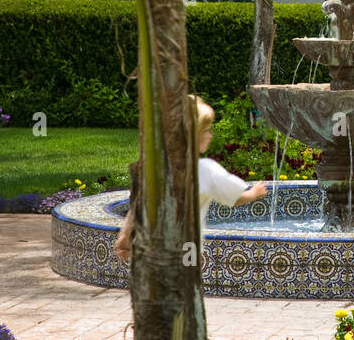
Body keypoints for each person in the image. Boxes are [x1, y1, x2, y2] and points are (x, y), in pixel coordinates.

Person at [113, 97, 268, 263]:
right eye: (207, 130)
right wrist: (254, 193)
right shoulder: (204, 170)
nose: (211, 135)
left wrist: (124, 237)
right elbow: (234, 197)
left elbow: (138, 205)